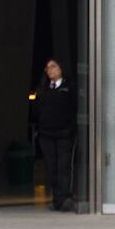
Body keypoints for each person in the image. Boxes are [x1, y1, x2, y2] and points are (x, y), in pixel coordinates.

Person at [32, 58, 78, 212]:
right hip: (46, 134)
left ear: (61, 68)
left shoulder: (69, 88)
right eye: (47, 68)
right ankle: (56, 199)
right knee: (52, 167)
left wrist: (70, 128)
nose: (50, 70)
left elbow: (74, 109)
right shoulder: (43, 89)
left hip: (64, 133)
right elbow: (36, 110)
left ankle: (65, 197)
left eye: (53, 66)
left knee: (63, 166)